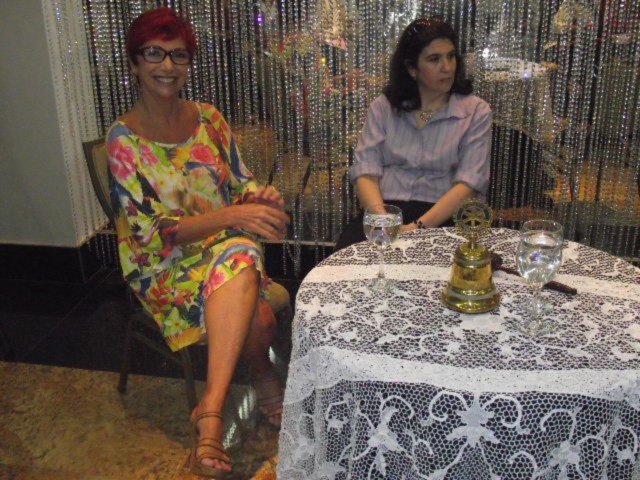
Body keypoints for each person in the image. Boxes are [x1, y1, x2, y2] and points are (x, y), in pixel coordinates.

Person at [106, 8, 290, 478]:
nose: (167, 66)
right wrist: (232, 216)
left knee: (238, 255)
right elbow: (150, 233)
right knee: (258, 305)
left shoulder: (209, 119)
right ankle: (241, 392)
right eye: (154, 54)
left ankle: (209, 413)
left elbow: (241, 183)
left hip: (225, 252)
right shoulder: (124, 140)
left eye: (179, 55)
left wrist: (258, 198)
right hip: (163, 267)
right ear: (134, 63)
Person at [336, 16, 492, 249]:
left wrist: (416, 228)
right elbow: (365, 171)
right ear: (411, 69)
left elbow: (468, 184)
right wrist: (383, 220)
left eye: (451, 56)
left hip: (443, 216)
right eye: (434, 59)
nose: (447, 67)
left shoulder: (476, 111)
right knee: (347, 261)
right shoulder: (383, 107)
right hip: (385, 210)